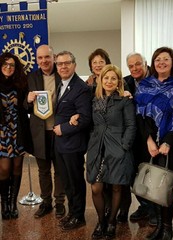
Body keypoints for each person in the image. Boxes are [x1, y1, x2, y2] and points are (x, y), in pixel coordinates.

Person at [135, 47, 173, 240]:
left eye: (165, 59)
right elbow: (139, 115)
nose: (161, 62)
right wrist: (149, 140)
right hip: (151, 144)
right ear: (152, 63)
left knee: (166, 187)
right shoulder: (144, 84)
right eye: (157, 59)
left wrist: (169, 141)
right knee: (152, 186)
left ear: (172, 62)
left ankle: (167, 228)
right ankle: (159, 226)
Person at [85, 64, 136, 239]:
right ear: (100, 79)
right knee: (96, 187)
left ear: (118, 82)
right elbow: (90, 123)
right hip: (97, 148)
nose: (109, 81)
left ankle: (112, 222)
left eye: (113, 78)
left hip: (118, 148)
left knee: (116, 187)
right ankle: (101, 221)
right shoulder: (94, 100)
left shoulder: (125, 100)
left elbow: (131, 125)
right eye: (106, 78)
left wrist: (124, 147)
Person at [53, 50, 92, 231]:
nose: (63, 66)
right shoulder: (60, 84)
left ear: (74, 65)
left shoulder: (81, 88)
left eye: (67, 63)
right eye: (60, 64)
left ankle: (79, 217)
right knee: (67, 182)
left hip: (73, 143)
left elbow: (85, 118)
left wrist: (64, 128)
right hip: (60, 145)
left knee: (75, 182)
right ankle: (72, 212)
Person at [26, 45, 65, 219]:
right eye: (40, 58)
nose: (44, 61)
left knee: (59, 170)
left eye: (47, 57)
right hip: (39, 133)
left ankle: (59, 203)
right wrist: (28, 100)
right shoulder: (31, 77)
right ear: (36, 60)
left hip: (58, 131)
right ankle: (46, 202)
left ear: (53, 57)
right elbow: (24, 106)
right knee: (43, 170)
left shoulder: (62, 75)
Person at [117, 52, 156, 226]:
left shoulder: (156, 81)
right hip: (133, 138)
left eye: (138, 64)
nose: (134, 68)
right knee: (134, 176)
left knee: (151, 176)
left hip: (152, 137)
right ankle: (145, 206)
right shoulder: (125, 82)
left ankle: (155, 210)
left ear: (146, 64)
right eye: (131, 66)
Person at [0, 52, 32, 219]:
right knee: (5, 168)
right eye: (5, 64)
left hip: (18, 131)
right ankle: (3, 203)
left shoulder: (21, 83)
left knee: (17, 167)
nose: (8, 67)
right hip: (1, 133)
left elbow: (26, 106)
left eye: (12, 65)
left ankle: (13, 203)